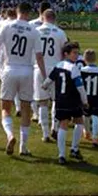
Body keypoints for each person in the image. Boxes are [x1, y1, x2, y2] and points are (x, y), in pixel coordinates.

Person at [0, 2, 46, 156]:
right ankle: (23, 146)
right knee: (26, 109)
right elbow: (39, 56)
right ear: (29, 13)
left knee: (5, 108)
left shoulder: (6, 26)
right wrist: (45, 76)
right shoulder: (34, 30)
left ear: (17, 11)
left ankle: (10, 135)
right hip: (27, 71)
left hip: (9, 69)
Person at [42, 41, 88, 165]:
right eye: (74, 53)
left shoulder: (58, 66)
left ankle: (61, 155)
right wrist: (85, 101)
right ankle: (74, 149)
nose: (76, 56)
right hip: (73, 100)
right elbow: (80, 87)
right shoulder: (74, 68)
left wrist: (44, 86)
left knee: (63, 124)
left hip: (60, 100)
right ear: (66, 54)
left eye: (77, 53)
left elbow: (48, 81)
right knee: (79, 121)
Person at [33, 9, 67, 143]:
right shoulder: (60, 32)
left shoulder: (36, 31)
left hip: (39, 69)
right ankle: (55, 127)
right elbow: (65, 52)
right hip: (56, 69)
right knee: (56, 100)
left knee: (42, 102)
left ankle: (45, 134)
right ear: (54, 18)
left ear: (43, 17)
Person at [29, 2, 52, 122]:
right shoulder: (53, 26)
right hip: (50, 61)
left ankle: (36, 113)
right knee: (50, 92)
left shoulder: (31, 24)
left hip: (33, 61)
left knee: (34, 88)